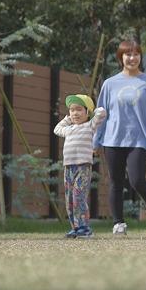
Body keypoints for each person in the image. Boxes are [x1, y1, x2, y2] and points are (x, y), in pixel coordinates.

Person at [93, 40, 146, 237]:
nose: (132, 58)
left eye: (135, 54)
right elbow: (100, 114)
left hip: (139, 140)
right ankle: (119, 224)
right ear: (121, 57)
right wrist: (96, 141)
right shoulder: (109, 84)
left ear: (140, 57)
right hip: (112, 140)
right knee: (116, 182)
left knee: (137, 181)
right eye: (128, 54)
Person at [54, 94, 107, 238]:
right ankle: (75, 227)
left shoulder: (89, 126)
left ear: (87, 112)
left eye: (79, 109)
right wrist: (67, 119)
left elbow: (101, 113)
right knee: (69, 199)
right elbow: (56, 129)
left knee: (79, 198)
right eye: (72, 110)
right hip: (68, 168)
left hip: (83, 167)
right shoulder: (68, 129)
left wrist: (93, 109)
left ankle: (84, 228)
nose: (75, 113)